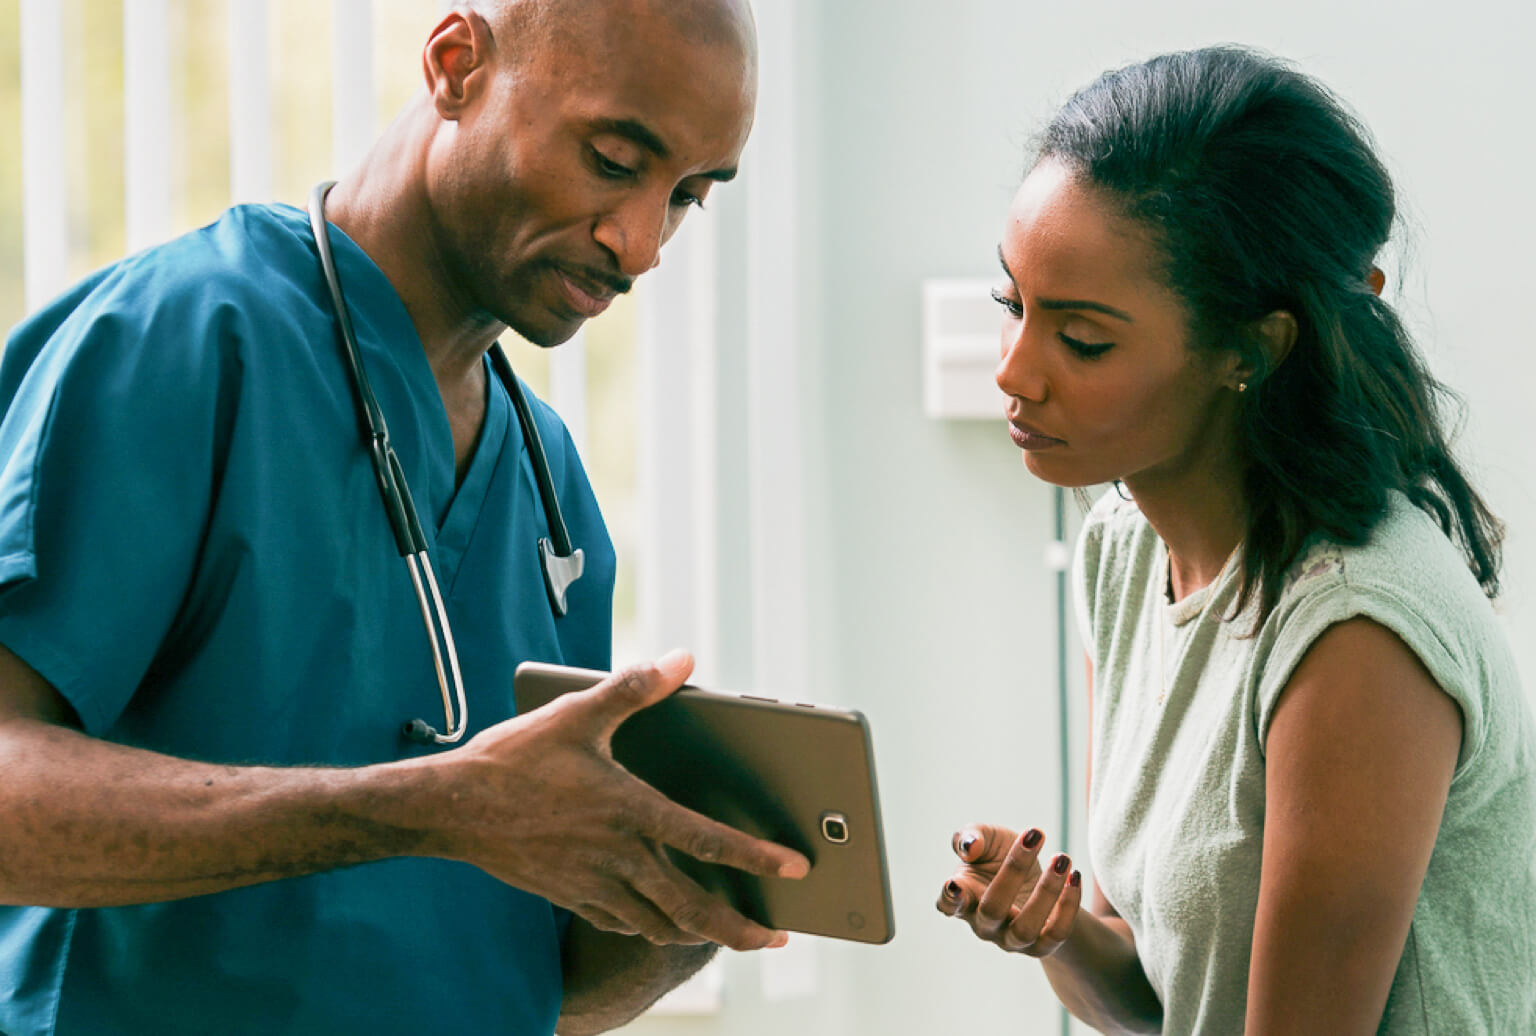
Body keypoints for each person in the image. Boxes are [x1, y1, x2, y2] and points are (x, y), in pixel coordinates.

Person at [0, 1, 811, 1034]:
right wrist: (431, 806)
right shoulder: (187, 341)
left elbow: (529, 982)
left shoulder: (552, 489)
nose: (641, 243)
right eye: (614, 160)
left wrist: (690, 900)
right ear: (457, 64)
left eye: (688, 197)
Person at [936, 45, 1536, 1034]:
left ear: (1250, 347)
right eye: (1014, 306)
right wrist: (1057, 929)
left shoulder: (1358, 631)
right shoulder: (1124, 549)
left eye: (1080, 338)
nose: (1013, 371)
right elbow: (1160, 1003)